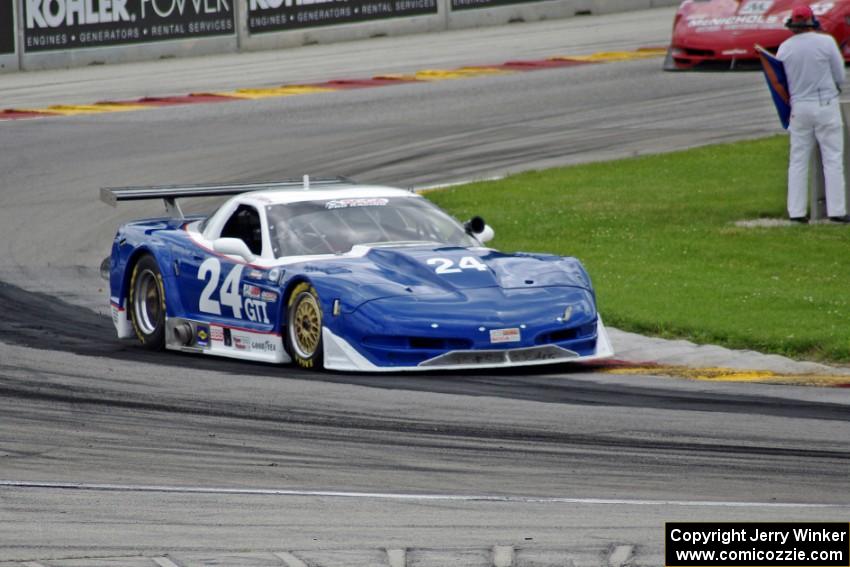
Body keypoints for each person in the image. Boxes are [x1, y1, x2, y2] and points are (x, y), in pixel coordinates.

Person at [777, 4, 850, 223]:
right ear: (812, 22)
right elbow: (840, 76)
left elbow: (781, 82)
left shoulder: (784, 48)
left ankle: (796, 212)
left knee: (798, 160)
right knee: (833, 159)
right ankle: (837, 210)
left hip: (799, 106)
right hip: (825, 103)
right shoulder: (826, 43)